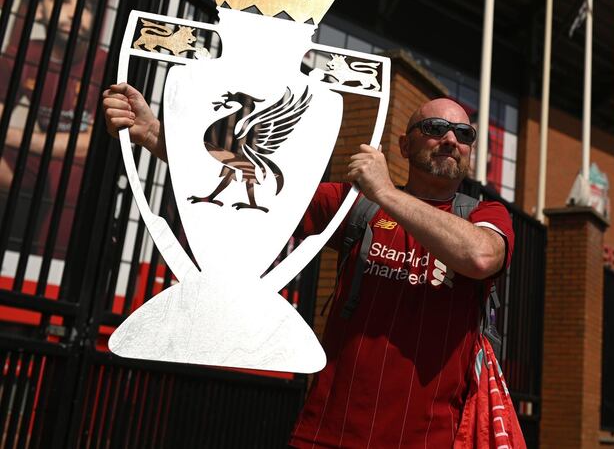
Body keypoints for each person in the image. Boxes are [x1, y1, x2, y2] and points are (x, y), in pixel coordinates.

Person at [102, 83, 515, 447]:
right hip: (328, 433)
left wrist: (386, 192)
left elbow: (480, 257)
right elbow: (254, 184)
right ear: (405, 146)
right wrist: (155, 135)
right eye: (433, 128)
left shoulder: (487, 215)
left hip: (430, 441)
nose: (449, 139)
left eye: (463, 133)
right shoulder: (356, 205)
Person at [0, 0, 104, 258]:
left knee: (72, 173)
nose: (74, 14)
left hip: (78, 171)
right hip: (37, 162)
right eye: (62, 0)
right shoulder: (24, 54)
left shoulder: (103, 64)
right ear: (42, 9)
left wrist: (13, 137)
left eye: (84, 5)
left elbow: (90, 143)